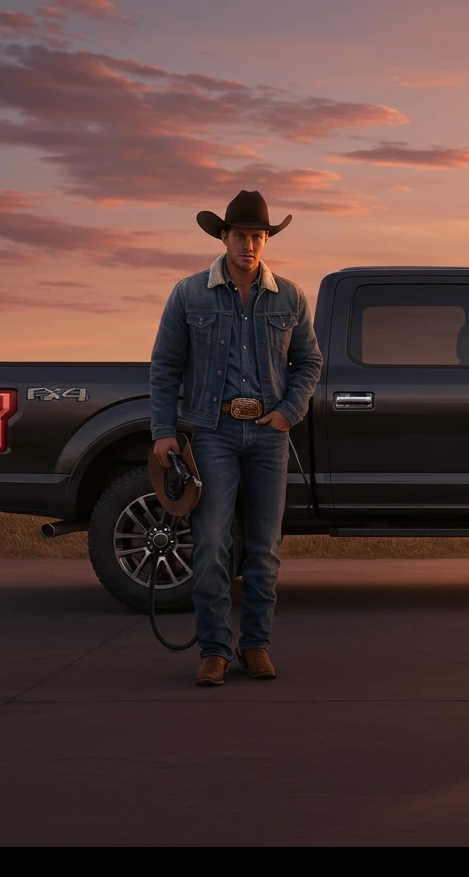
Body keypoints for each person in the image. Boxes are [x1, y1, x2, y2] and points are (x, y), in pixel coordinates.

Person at [149, 190, 322, 686]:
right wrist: (164, 433)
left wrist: (289, 412)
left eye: (258, 236)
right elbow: (165, 368)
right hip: (212, 432)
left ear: (266, 240)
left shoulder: (289, 295)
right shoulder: (189, 294)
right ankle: (214, 651)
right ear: (223, 237)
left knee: (265, 547)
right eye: (241, 234)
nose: (250, 244)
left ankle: (255, 646)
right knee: (210, 542)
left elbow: (309, 360)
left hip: (268, 435)